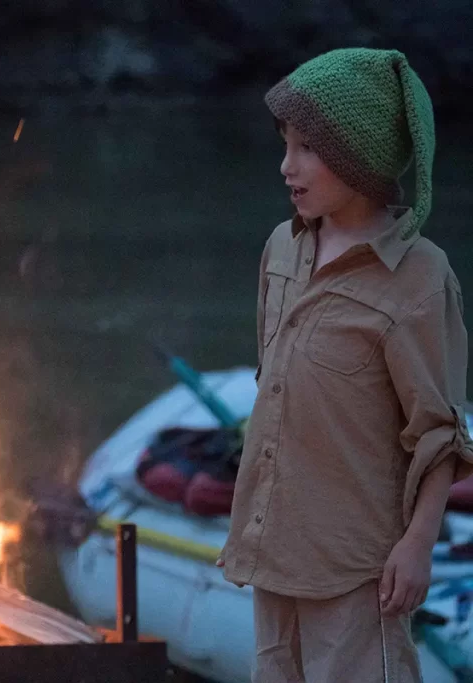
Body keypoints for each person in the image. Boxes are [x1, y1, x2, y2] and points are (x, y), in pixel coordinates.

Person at [217, 48, 473, 681]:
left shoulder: (419, 279)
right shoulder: (281, 248)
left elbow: (438, 432)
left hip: (358, 571)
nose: (287, 166)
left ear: (359, 158)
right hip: (271, 551)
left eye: (307, 147)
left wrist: (417, 547)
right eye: (284, 143)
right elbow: (272, 386)